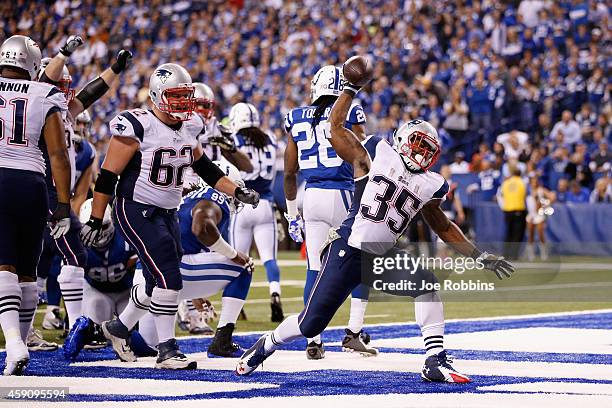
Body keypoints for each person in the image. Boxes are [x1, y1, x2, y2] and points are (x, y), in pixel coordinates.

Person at [236, 64, 514, 383]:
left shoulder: (430, 183)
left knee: (426, 286)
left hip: (381, 256)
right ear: (401, 140)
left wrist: (479, 256)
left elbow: (444, 227)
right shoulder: (376, 152)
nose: (421, 153)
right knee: (311, 324)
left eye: (427, 149)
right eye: (417, 144)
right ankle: (266, 345)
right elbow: (335, 128)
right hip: (348, 250)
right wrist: (350, 90)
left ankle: (434, 359)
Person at [79, 63, 259, 370]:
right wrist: (96, 218)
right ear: (157, 96)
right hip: (135, 208)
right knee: (169, 276)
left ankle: (119, 328)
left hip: (167, 210)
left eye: (186, 96)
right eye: (176, 96)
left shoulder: (190, 127)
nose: (183, 103)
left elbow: (205, 168)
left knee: (156, 279)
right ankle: (167, 350)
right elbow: (108, 175)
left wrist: (236, 190)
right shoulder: (137, 125)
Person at [38, 35, 132, 332]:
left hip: (52, 193)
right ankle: (70, 323)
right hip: (41, 191)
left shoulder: (63, 111)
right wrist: (63, 54)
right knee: (49, 260)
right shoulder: (37, 108)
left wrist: (115, 70)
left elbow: (90, 94)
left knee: (58, 259)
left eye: (67, 88)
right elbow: (43, 81)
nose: (65, 94)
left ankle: (57, 323)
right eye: (60, 87)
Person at [283, 65, 375, 359]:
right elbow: (365, 154)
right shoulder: (349, 111)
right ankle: (354, 332)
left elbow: (289, 172)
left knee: (314, 267)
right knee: (361, 262)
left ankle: (314, 338)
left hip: (311, 197)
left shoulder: (296, 117)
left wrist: (290, 213)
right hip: (344, 193)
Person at [0, 35, 72, 375]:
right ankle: (24, 342)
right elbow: (57, 153)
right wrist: (63, 202)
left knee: (4, 266)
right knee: (28, 271)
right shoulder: (45, 93)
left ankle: (14, 343)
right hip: (32, 181)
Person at [137, 161, 254, 358]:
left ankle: (102, 328)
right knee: (245, 267)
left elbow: (185, 244)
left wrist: (196, 295)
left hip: (147, 272)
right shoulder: (214, 198)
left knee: (146, 347)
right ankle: (222, 340)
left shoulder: (184, 197)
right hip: (171, 272)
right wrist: (235, 255)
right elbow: (200, 228)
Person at [228, 102, 284, 322]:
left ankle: (235, 304)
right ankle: (275, 292)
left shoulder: (234, 141)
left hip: (241, 203)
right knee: (269, 258)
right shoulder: (268, 138)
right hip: (265, 205)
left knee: (237, 258)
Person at [63, 199, 137, 360]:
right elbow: (69, 275)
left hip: (126, 292)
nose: (98, 232)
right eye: (91, 227)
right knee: (94, 338)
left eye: (102, 226)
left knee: (138, 336)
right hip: (98, 291)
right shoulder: (77, 242)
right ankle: (73, 324)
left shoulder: (125, 236)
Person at [498, 166, 527, 260]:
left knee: (508, 233)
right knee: (517, 234)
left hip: (507, 210)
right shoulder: (522, 182)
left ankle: (505, 254)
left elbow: (500, 195)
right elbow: (526, 195)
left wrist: (504, 206)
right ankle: (514, 255)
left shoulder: (505, 183)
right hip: (518, 209)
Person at [525, 177, 556, 261]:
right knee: (530, 234)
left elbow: (552, 196)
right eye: (532, 182)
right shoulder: (527, 191)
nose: (534, 184)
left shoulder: (541, 190)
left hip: (539, 215)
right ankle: (531, 254)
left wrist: (545, 205)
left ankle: (544, 253)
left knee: (540, 233)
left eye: (535, 182)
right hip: (530, 215)